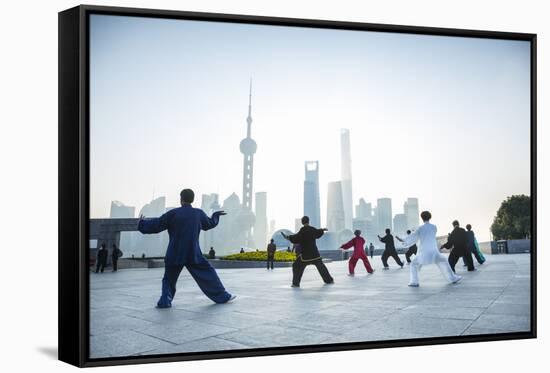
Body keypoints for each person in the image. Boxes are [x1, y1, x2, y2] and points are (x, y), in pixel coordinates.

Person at [138, 188, 235, 308]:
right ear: (192, 199)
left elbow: (157, 224)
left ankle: (165, 300)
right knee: (208, 273)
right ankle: (223, 296)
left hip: (174, 253)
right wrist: (215, 216)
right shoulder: (198, 214)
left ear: (181, 199)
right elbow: (209, 224)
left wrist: (142, 223)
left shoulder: (173, 214)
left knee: (169, 279)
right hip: (192, 253)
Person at [402, 211, 462, 287]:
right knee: (444, 261)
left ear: (422, 218)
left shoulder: (420, 228)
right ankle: (453, 278)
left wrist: (404, 240)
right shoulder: (434, 227)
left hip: (424, 252)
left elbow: (413, 237)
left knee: (413, 264)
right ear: (430, 217)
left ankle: (414, 282)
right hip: (434, 251)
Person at [281, 216, 334, 287]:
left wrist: (288, 237)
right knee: (321, 267)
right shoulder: (312, 229)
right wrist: (322, 230)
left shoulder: (302, 231)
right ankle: (329, 280)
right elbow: (318, 233)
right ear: (308, 221)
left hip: (305, 256)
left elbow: (296, 238)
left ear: (302, 222)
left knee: (296, 265)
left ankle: (295, 283)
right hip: (315, 255)